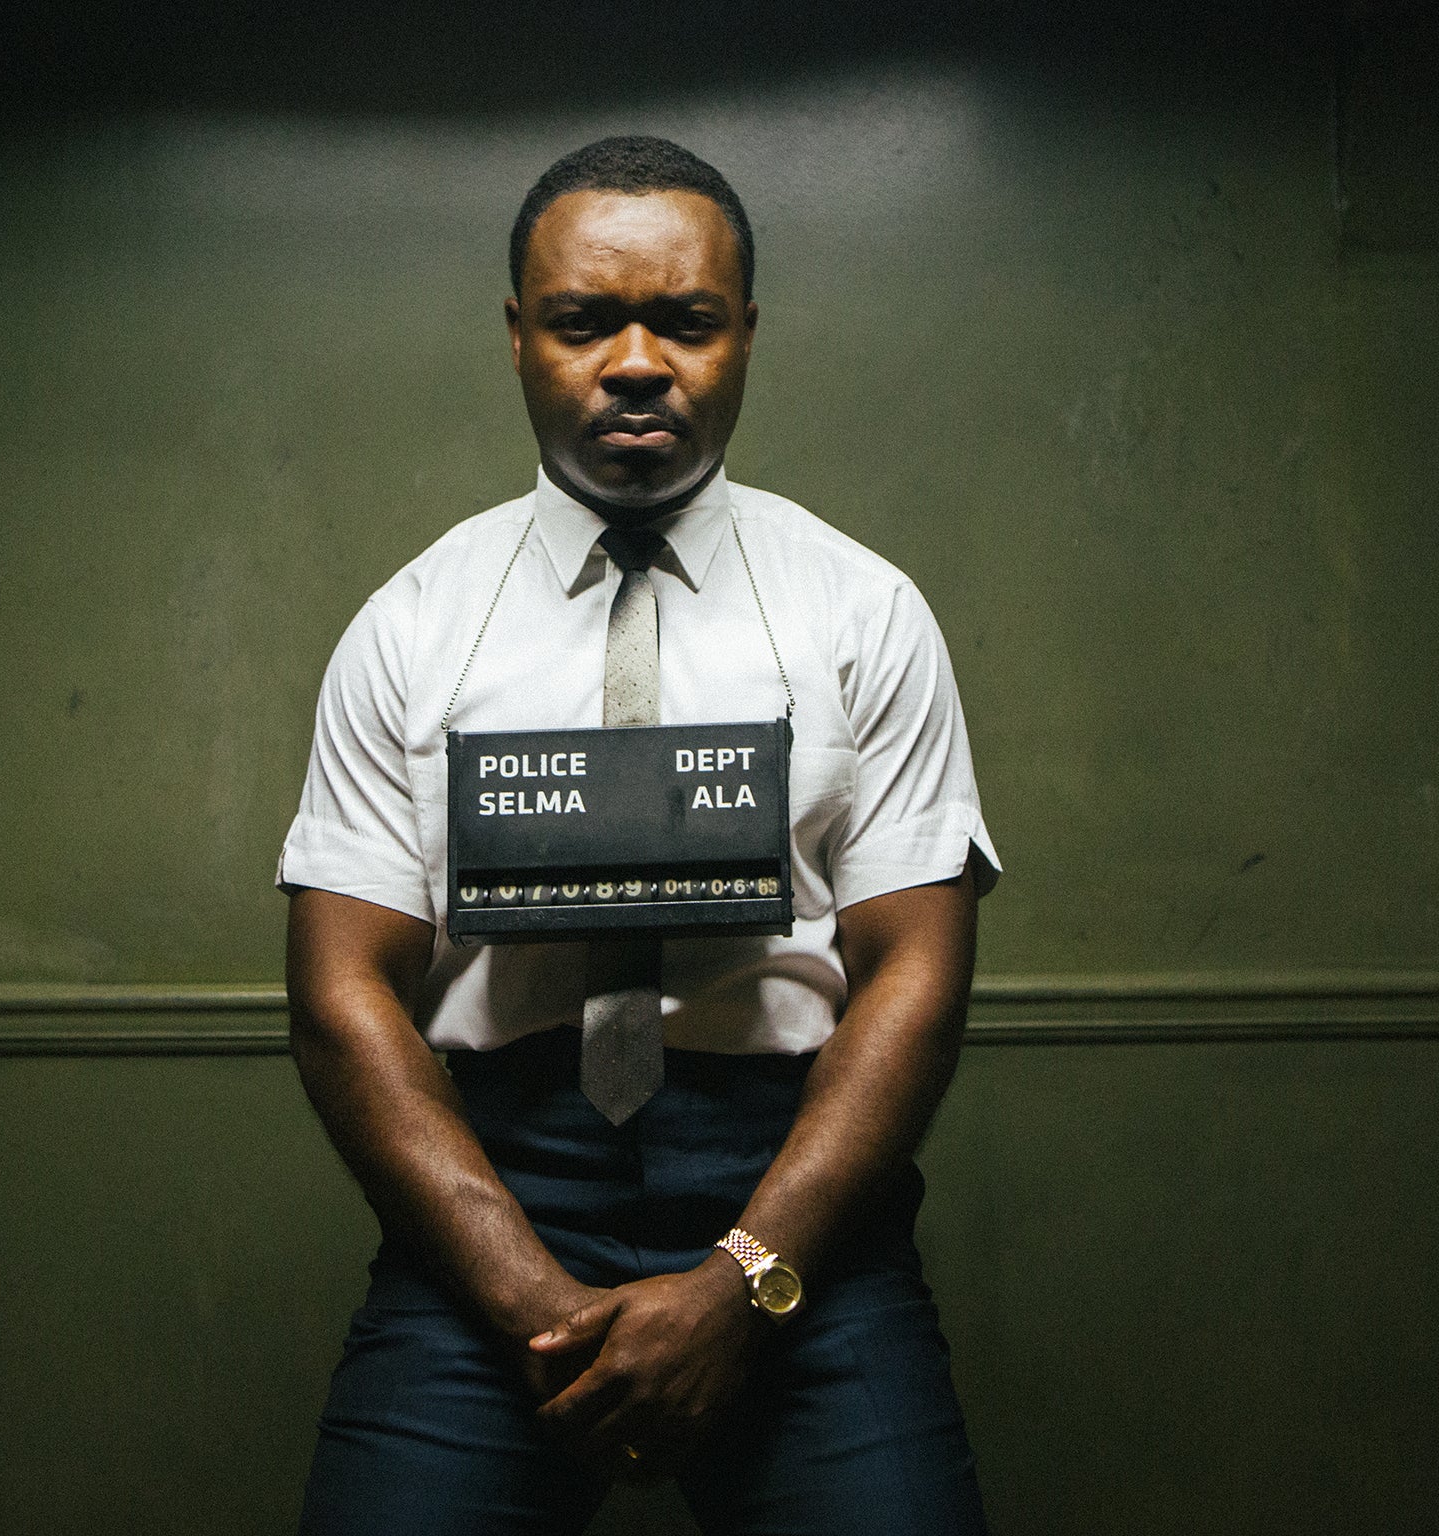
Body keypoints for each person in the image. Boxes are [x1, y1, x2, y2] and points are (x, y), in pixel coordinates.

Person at [278, 135, 1001, 1535]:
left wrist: (742, 1283)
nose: (634, 361)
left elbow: (916, 975)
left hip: (798, 1221)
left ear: (743, 336)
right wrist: (534, 1303)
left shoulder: (862, 614)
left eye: (684, 320)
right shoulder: (414, 624)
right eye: (582, 321)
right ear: (517, 336)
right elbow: (338, 995)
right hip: (492, 1209)